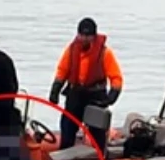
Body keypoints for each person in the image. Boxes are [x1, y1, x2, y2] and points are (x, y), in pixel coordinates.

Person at [48, 17, 124, 152]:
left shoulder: (105, 53)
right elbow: (62, 71)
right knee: (67, 128)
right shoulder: (71, 51)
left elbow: (116, 77)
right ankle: (65, 157)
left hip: (96, 98)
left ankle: (100, 158)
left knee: (97, 134)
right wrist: (55, 89)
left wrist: (111, 97)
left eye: (87, 36)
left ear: (94, 37)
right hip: (75, 95)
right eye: (81, 35)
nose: (84, 38)